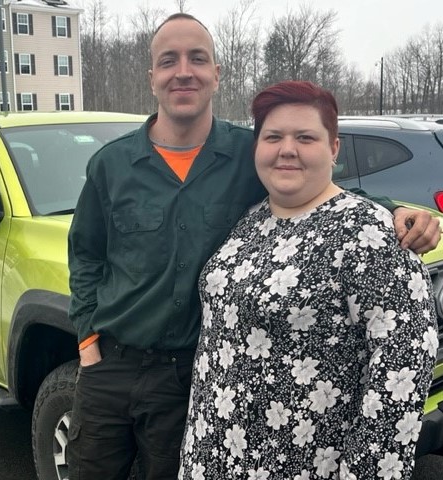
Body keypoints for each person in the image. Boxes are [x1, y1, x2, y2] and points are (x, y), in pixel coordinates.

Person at [67, 13, 440, 480]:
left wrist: (393, 213)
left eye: (197, 59)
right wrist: (87, 342)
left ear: (217, 74)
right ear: (152, 78)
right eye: (169, 61)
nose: (184, 71)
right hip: (112, 366)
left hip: (185, 377)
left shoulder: (251, 153)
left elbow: (314, 188)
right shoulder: (111, 164)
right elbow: (85, 254)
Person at [178, 80, 438, 480]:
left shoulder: (367, 233)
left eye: (305, 137)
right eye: (273, 136)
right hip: (213, 455)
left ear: (333, 148)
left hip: (300, 464)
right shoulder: (252, 219)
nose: (287, 149)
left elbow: (401, 368)